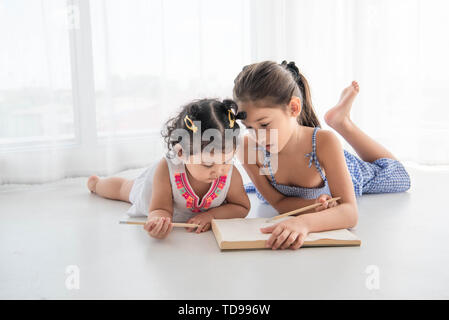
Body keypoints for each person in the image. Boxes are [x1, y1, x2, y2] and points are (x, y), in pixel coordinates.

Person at [233, 60, 410, 250]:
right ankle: (340, 119)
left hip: (344, 169)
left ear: (294, 108)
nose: (257, 137)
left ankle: (342, 122)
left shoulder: (325, 142)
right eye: (249, 127)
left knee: (397, 175)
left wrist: (304, 223)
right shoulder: (247, 146)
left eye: (265, 124)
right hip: (316, 186)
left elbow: (350, 213)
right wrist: (313, 206)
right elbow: (279, 202)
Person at [87, 98, 250, 239]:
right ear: (181, 152)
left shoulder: (230, 174)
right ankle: (96, 184)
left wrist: (212, 215)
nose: (219, 170)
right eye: (207, 164)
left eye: (227, 160)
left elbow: (241, 207)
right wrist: (159, 222)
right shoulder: (167, 169)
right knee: (125, 189)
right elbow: (160, 208)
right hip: (156, 197)